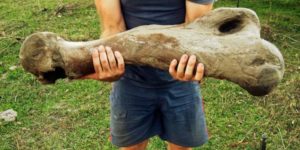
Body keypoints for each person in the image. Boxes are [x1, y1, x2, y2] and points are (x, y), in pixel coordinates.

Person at [83, 0, 214, 149]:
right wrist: (110, 62)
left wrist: (191, 65)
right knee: (131, 147)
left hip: (180, 81)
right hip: (131, 79)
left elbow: (195, 30)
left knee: (182, 147)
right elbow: (113, 27)